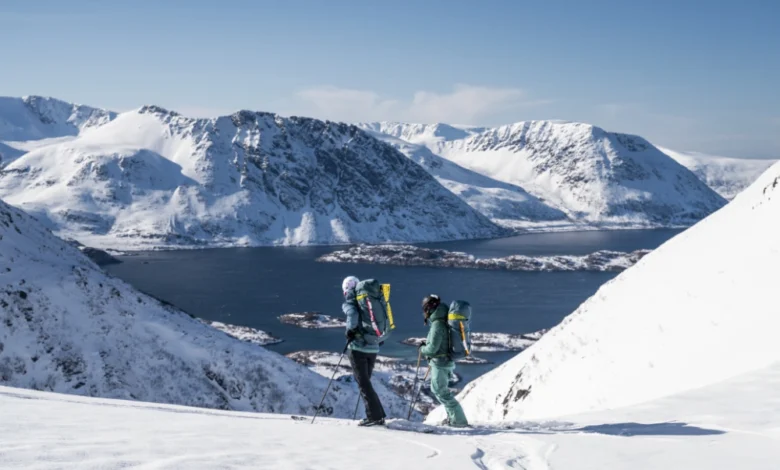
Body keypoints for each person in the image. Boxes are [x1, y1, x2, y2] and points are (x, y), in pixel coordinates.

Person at [342, 275, 387, 427]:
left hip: (358, 348)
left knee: (363, 383)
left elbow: (353, 315)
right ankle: (378, 416)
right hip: (373, 346)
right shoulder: (372, 299)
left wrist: (350, 331)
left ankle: (374, 417)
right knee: (366, 383)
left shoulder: (351, 301)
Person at [419, 294, 469, 427]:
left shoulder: (437, 325)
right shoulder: (442, 322)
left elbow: (432, 349)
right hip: (444, 362)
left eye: (425, 309)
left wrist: (422, 349)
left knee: (441, 392)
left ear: (429, 309)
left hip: (439, 363)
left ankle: (459, 421)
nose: (425, 313)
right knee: (440, 391)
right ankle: (453, 419)